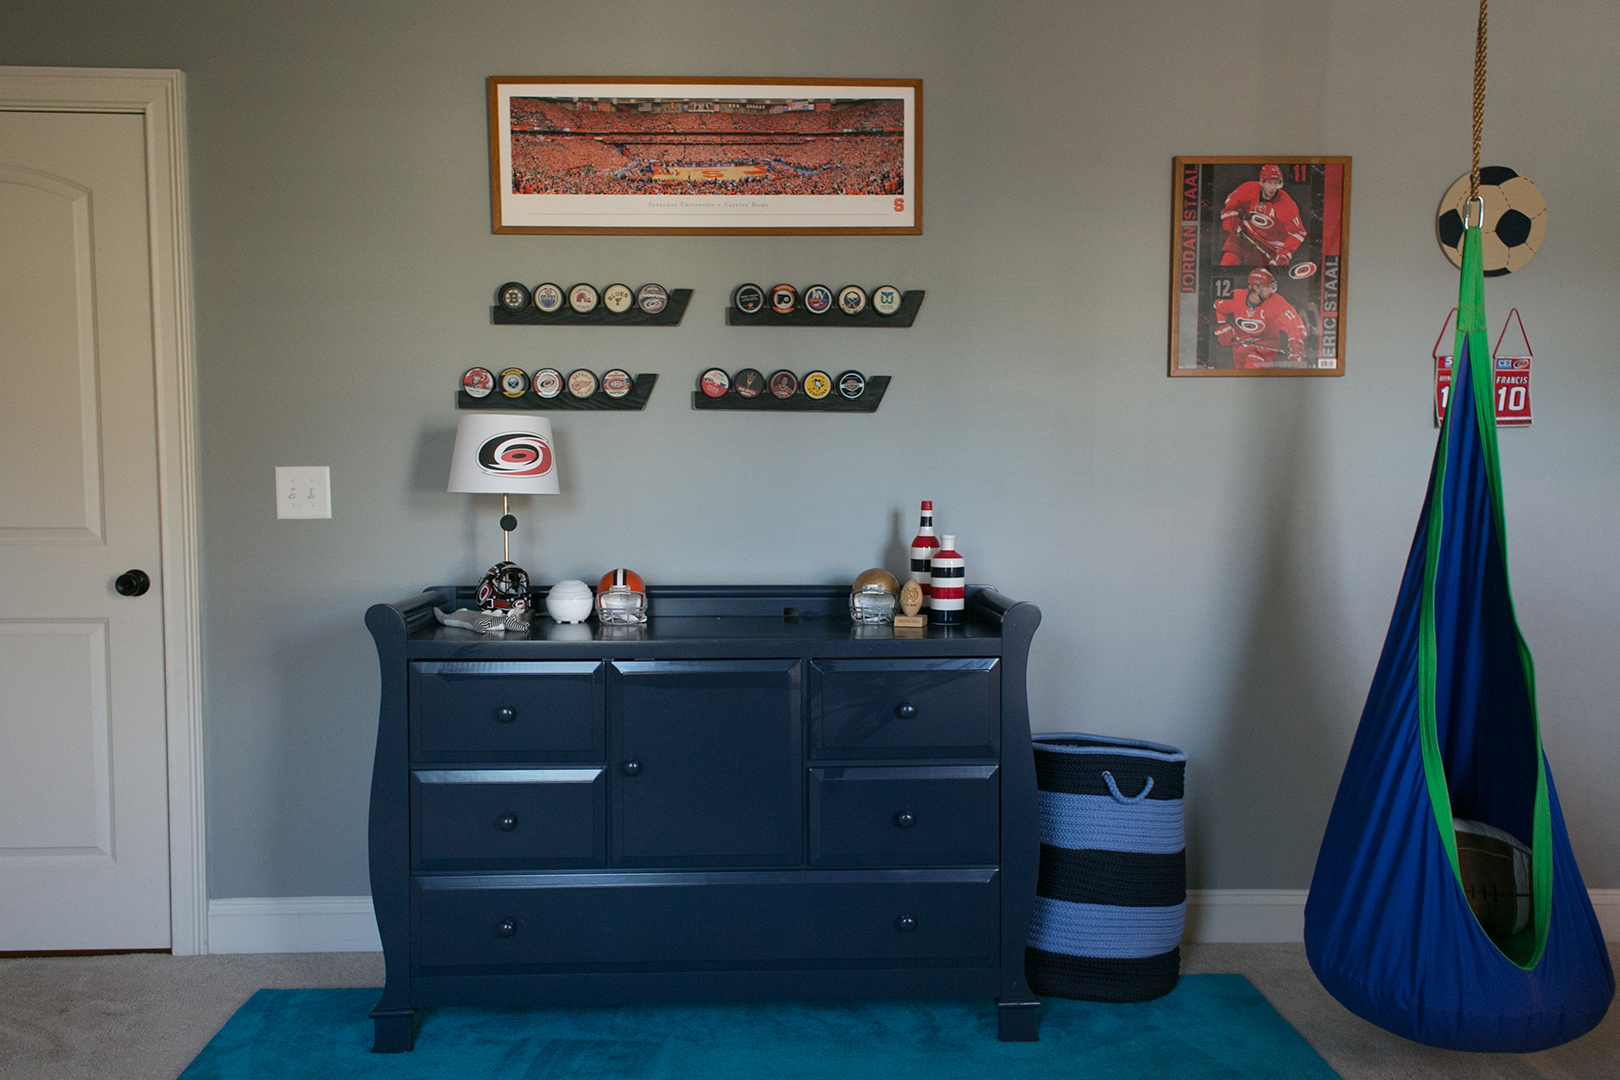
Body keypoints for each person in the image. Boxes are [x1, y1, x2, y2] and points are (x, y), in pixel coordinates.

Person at [1213, 268, 1307, 368]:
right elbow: (1220, 308)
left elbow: (1294, 325)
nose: (1271, 290)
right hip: (1240, 347)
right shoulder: (1236, 296)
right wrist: (1221, 325)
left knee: (1250, 369)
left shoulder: (1277, 302)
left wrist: (1296, 344)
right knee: (1241, 374)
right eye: (1268, 287)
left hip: (1266, 347)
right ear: (1256, 288)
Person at [1220, 164, 1306, 267]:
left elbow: (1299, 233)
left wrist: (1285, 252)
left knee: (1254, 273)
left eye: (1276, 183)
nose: (1272, 187)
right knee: (1227, 263)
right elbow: (1232, 200)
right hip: (1245, 233)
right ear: (1262, 182)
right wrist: (1230, 216)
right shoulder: (1249, 188)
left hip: (1268, 246)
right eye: (1269, 183)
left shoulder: (1287, 205)